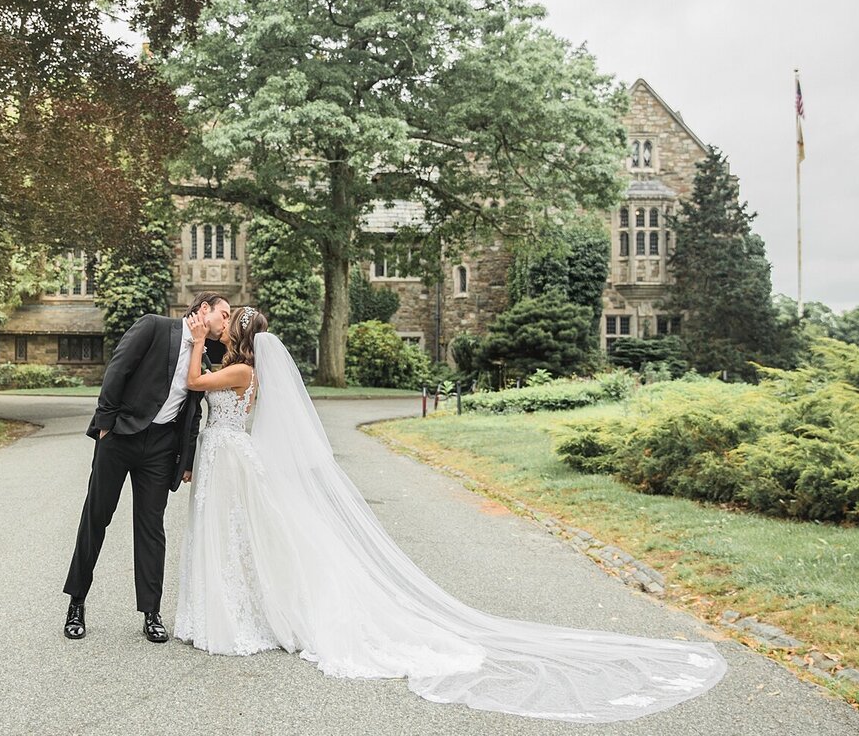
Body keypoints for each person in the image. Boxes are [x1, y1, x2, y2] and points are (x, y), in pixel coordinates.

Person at [173, 306, 728, 723]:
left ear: (239, 334)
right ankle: (240, 606)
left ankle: (256, 613)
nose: (219, 324)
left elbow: (198, 383)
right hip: (225, 455)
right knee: (242, 537)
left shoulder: (242, 372)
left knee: (249, 535)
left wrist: (196, 341)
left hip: (232, 455)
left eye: (226, 321)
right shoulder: (239, 364)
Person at [62, 292, 229, 642]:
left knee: (152, 527)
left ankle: (151, 613)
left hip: (160, 448)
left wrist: (186, 460)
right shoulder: (154, 327)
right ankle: (76, 604)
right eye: (224, 315)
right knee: (97, 516)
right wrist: (105, 424)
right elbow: (118, 369)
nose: (226, 322)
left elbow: (192, 410)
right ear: (203, 310)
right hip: (119, 437)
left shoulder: (206, 354)